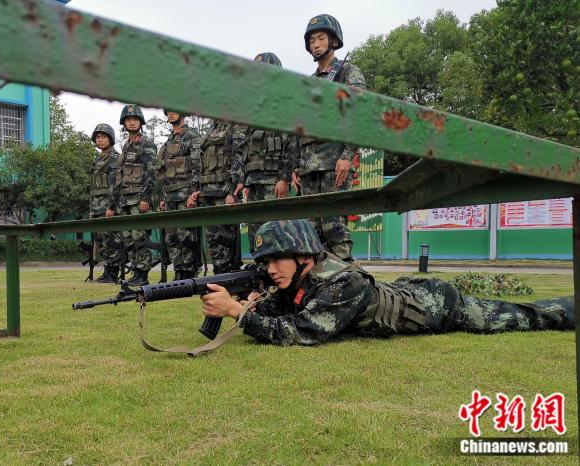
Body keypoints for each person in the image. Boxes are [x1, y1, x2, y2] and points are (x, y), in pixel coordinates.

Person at [200, 219, 574, 346]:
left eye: (275, 260)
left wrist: (237, 312)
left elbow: (304, 331)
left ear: (304, 256)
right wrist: (253, 303)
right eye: (264, 264)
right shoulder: (300, 280)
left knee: (523, 315)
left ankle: (569, 308)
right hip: (405, 292)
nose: (270, 270)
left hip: (437, 307)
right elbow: (280, 312)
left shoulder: (342, 282)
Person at [294, 14, 367, 262]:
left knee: (335, 229)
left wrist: (347, 156)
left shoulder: (347, 71)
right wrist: (297, 166)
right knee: (311, 232)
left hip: (334, 165)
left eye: (321, 38)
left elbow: (357, 114)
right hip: (308, 169)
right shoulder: (311, 82)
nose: (315, 44)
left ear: (333, 41)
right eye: (312, 40)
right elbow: (301, 127)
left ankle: (348, 285)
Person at [244, 53, 296, 251]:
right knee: (255, 233)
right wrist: (247, 180)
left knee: (275, 232)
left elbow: (291, 145)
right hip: (254, 182)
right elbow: (247, 149)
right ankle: (260, 272)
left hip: (273, 182)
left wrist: (284, 179)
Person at [189, 118, 246, 274]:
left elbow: (239, 157)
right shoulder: (210, 130)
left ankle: (229, 274)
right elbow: (202, 163)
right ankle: (219, 273)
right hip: (208, 192)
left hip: (225, 191)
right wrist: (198, 189)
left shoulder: (234, 127)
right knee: (213, 238)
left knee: (226, 236)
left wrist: (233, 192)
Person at [114, 105, 157, 286]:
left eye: (135, 119)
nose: (132, 122)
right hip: (125, 200)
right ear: (124, 123)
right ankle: (136, 270)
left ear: (140, 122)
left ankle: (142, 274)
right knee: (127, 238)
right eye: (128, 119)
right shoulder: (125, 146)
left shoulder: (146, 143)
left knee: (140, 238)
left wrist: (146, 198)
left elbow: (151, 172)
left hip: (139, 199)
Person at [158, 109, 203, 280]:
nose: (171, 113)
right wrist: (163, 197)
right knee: (171, 237)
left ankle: (189, 271)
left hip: (186, 194)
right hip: (170, 196)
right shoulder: (168, 141)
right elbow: (164, 172)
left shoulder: (192, 135)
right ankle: (178, 270)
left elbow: (197, 165)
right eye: (168, 111)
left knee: (186, 235)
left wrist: (195, 192)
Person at [89, 123, 123, 283]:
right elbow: (93, 187)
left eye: (103, 137)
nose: (100, 140)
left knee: (111, 241)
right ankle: (106, 272)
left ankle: (112, 273)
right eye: (98, 137)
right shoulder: (96, 160)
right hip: (96, 208)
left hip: (108, 208)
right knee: (101, 242)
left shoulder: (114, 158)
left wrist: (111, 207)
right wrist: (91, 210)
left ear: (111, 138)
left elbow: (116, 185)